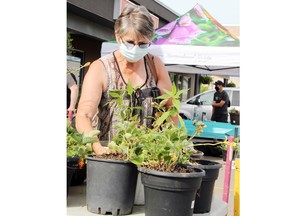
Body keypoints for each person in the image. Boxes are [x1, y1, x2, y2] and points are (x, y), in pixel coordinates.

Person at [75, 5, 175, 156]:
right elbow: (84, 115)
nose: (135, 48)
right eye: (130, 42)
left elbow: (170, 109)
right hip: (110, 157)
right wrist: (98, 148)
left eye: (143, 44)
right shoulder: (101, 68)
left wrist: (168, 146)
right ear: (118, 36)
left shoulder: (155, 65)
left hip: (148, 158)